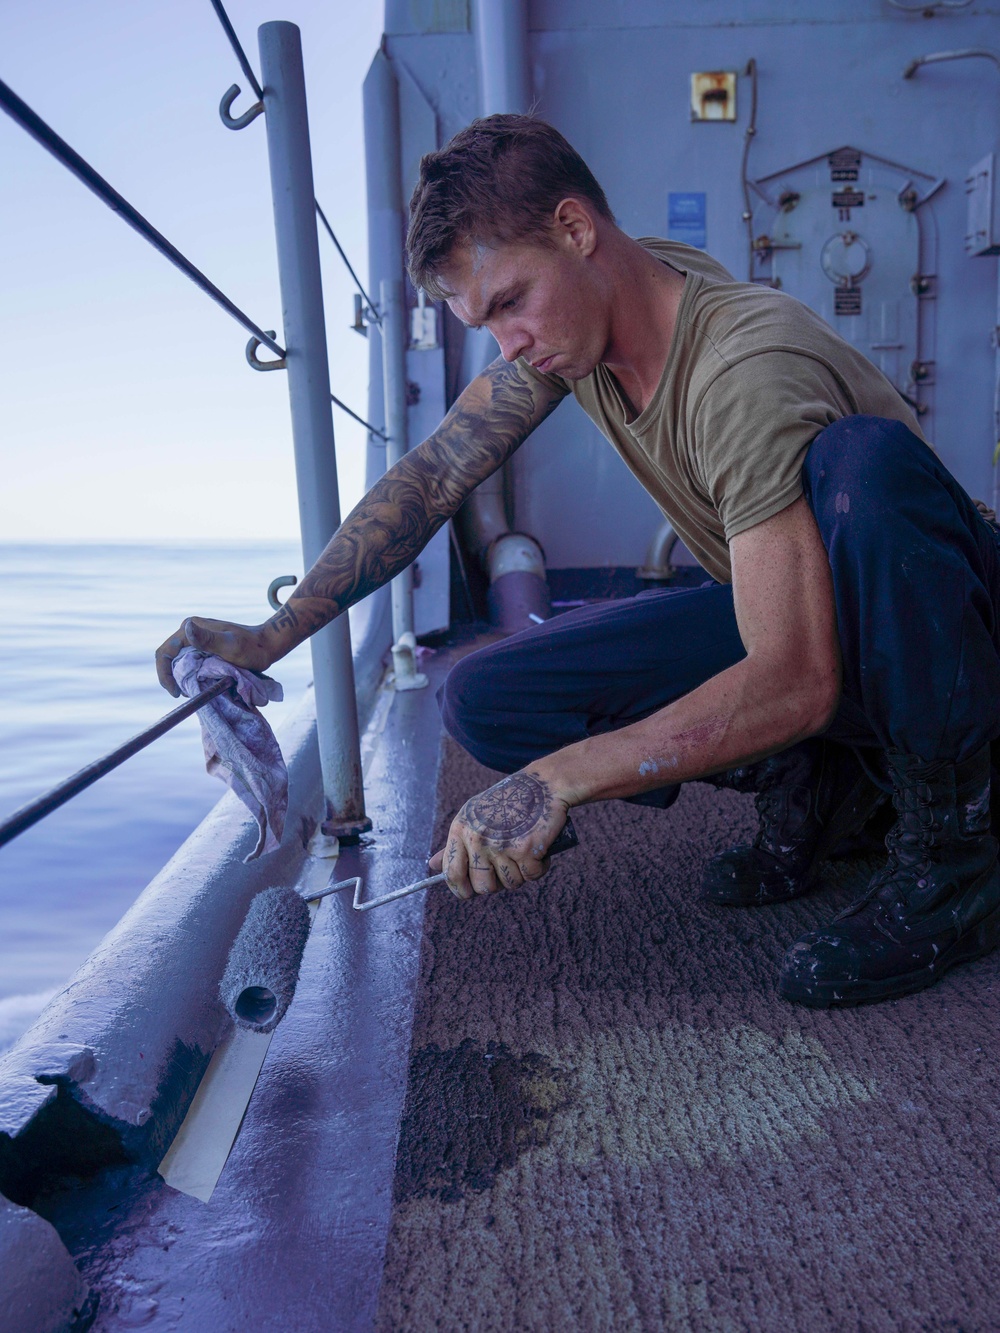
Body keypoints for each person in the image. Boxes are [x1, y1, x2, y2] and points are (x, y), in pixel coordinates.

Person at [156, 114, 1000, 1009]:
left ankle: (956, 849)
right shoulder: (601, 308)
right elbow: (438, 471)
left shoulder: (743, 366)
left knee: (859, 463)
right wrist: (275, 633)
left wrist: (556, 780)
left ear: (575, 228)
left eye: (510, 301)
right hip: (824, 617)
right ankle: (824, 779)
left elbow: (793, 677)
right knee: (486, 698)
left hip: (949, 634)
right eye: (484, 320)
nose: (507, 342)